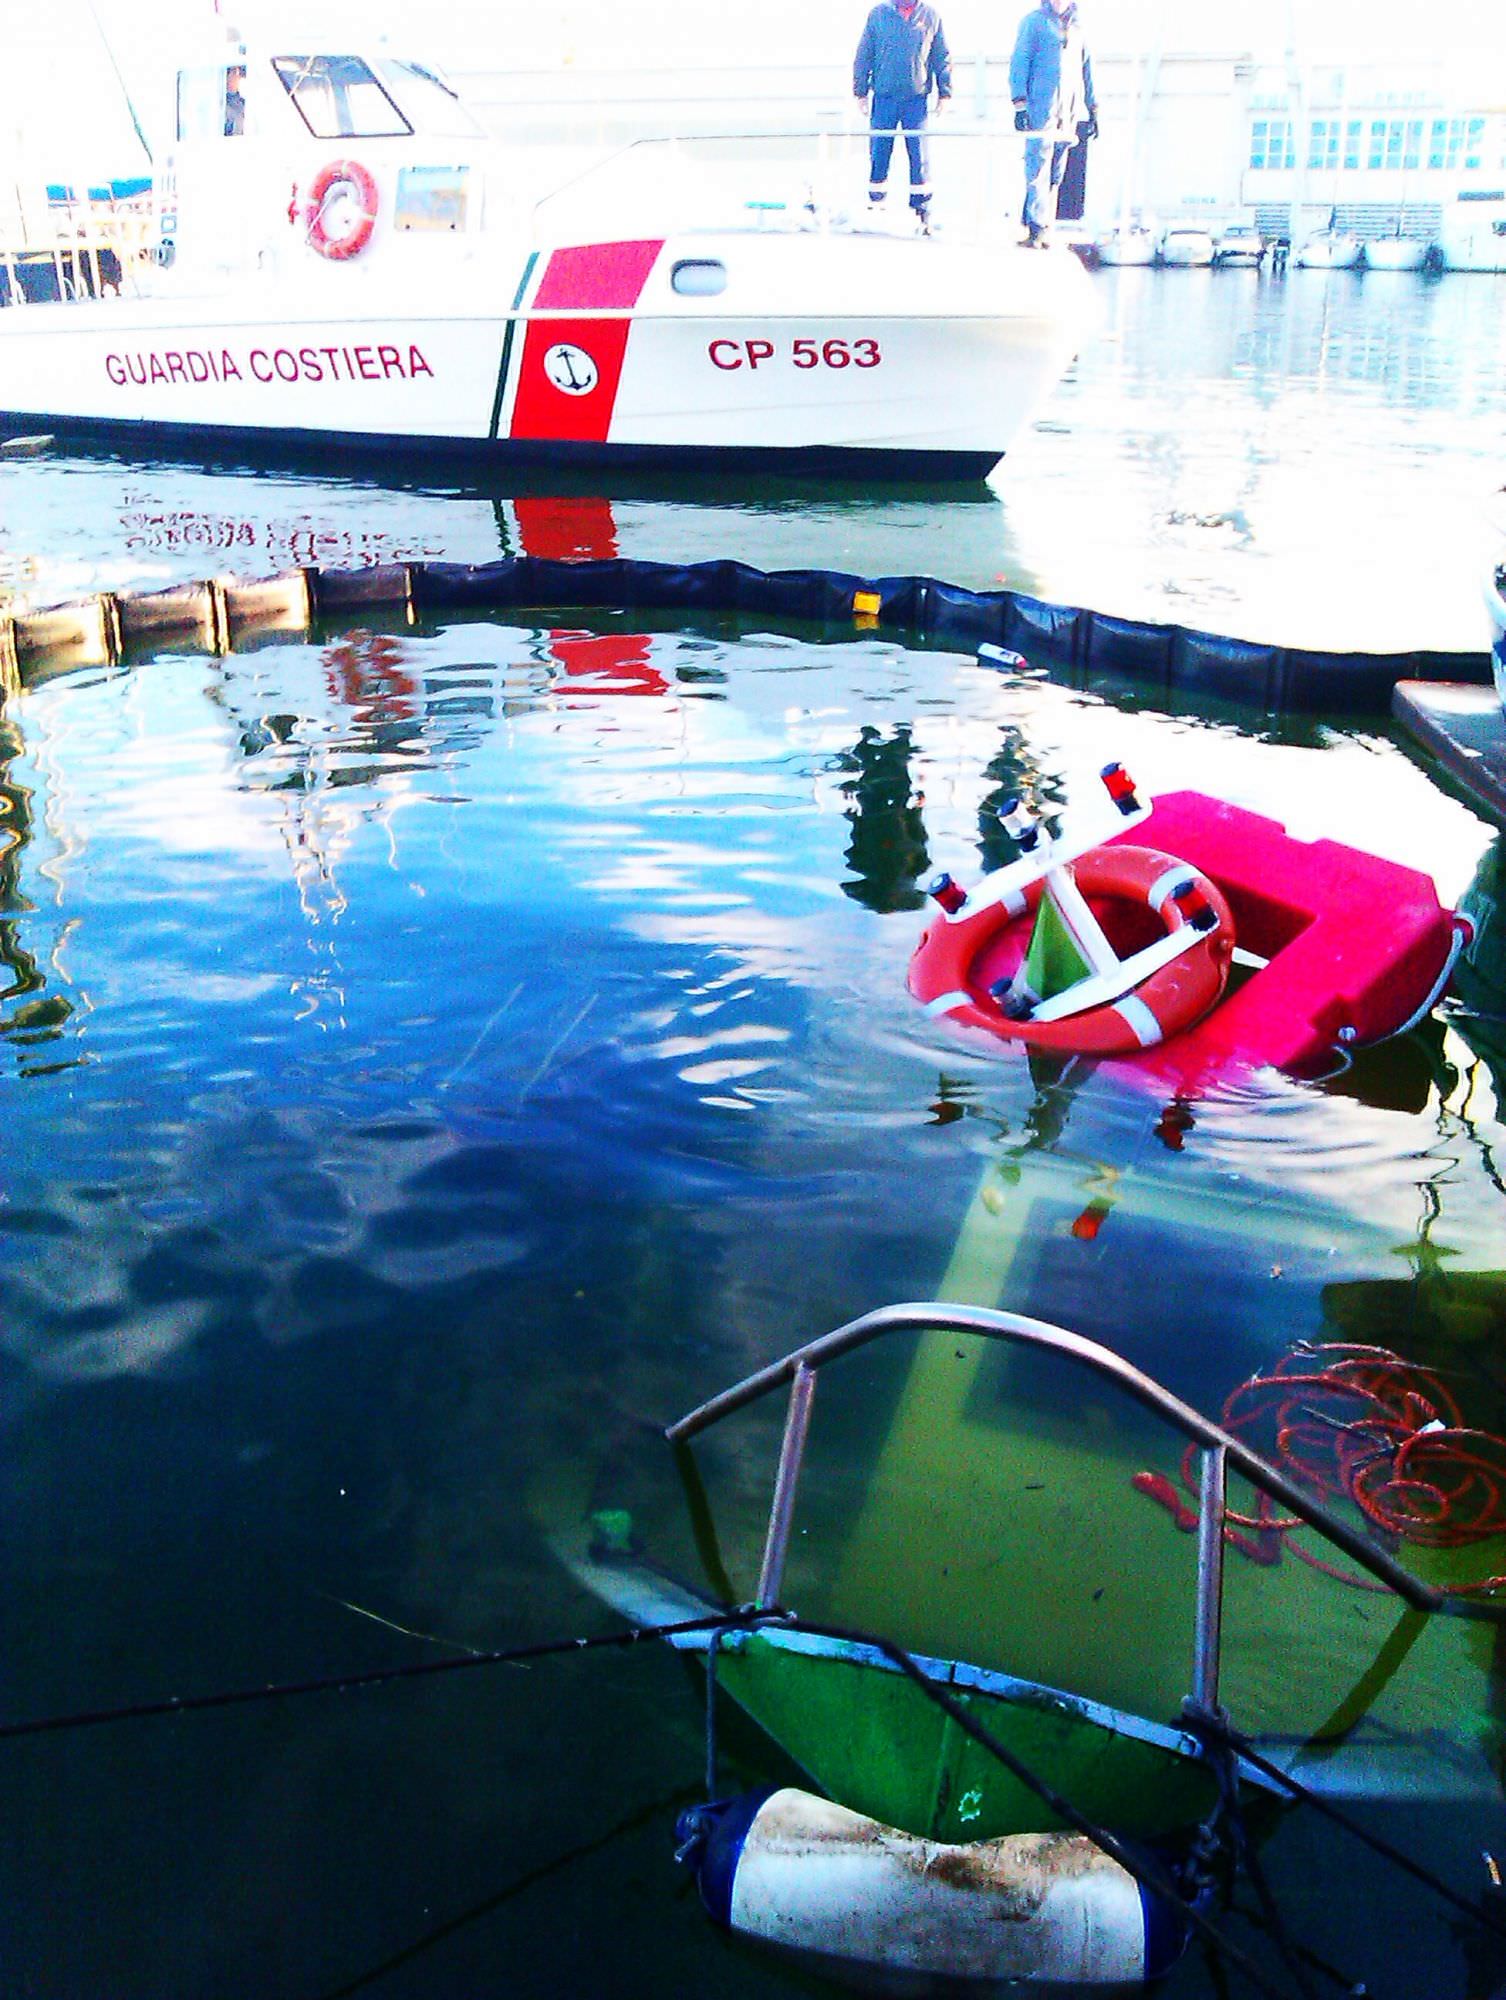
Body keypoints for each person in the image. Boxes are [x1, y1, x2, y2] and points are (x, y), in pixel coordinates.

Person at [853, 0, 952, 233]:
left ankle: (921, 210)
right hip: (884, 97)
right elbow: (864, 53)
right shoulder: (878, 14)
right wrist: (860, 92)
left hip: (916, 100)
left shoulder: (930, 16)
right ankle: (876, 204)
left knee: (919, 156)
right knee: (879, 152)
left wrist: (945, 93)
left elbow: (941, 57)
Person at [1008, 0, 1096, 247]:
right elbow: (1020, 61)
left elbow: (1087, 68)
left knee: (1057, 169)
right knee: (1037, 164)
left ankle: (1038, 221)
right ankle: (1038, 227)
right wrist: (1020, 104)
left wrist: (1093, 107)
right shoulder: (1034, 22)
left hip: (1067, 111)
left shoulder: (1078, 27)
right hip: (1040, 107)